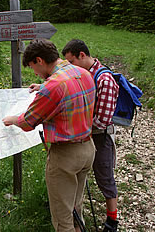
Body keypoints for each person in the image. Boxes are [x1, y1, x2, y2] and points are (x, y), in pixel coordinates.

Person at [2, 39, 96, 232]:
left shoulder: (52, 87)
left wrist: (12, 119)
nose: (34, 73)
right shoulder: (83, 73)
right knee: (76, 207)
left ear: (39, 60)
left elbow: (28, 122)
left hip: (65, 156)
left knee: (62, 218)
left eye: (33, 67)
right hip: (88, 148)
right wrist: (42, 86)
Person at [62, 39, 119, 232]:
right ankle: (76, 213)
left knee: (104, 176)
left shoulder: (104, 80)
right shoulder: (83, 75)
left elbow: (102, 119)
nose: (70, 67)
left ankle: (112, 221)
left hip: (100, 137)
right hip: (84, 135)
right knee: (80, 176)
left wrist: (74, 124)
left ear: (82, 55)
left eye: (71, 62)